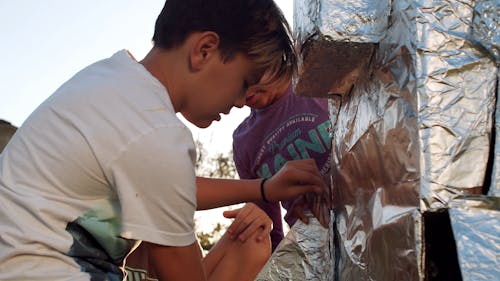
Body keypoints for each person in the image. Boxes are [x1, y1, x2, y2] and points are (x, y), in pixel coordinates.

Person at [0, 1, 326, 281]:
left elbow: (170, 186)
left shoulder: (113, 84)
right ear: (205, 50)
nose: (242, 101)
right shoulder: (155, 133)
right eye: (244, 82)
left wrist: (264, 189)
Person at [233, 80, 332, 252]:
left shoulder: (319, 87)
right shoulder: (243, 142)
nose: (244, 90)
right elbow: (266, 227)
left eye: (252, 76)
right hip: (313, 248)